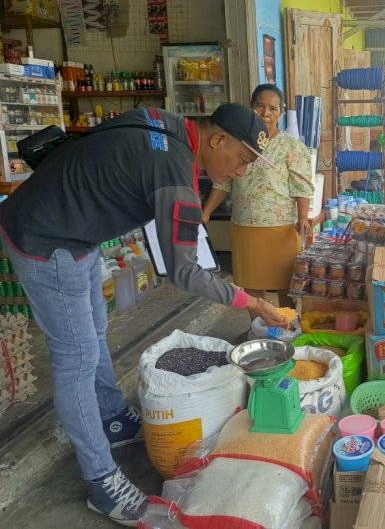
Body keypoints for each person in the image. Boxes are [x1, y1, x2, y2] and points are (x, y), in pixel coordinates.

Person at [0, 103, 287, 526]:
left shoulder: (165, 122)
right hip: (44, 238)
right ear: (216, 139)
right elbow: (184, 272)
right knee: (76, 358)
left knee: (95, 331)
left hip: (76, 232)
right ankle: (102, 482)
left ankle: (113, 418)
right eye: (242, 160)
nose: (241, 172)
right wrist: (254, 303)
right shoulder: (174, 175)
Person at [202, 84, 314, 309]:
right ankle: (257, 330)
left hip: (281, 227)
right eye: (260, 107)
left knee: (285, 284)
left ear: (281, 114)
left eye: (273, 109)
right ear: (250, 108)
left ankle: (287, 328)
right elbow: (223, 181)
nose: (266, 113)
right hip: (244, 224)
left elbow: (301, 186)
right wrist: (205, 214)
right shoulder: (237, 141)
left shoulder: (292, 147)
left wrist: (302, 217)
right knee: (252, 284)